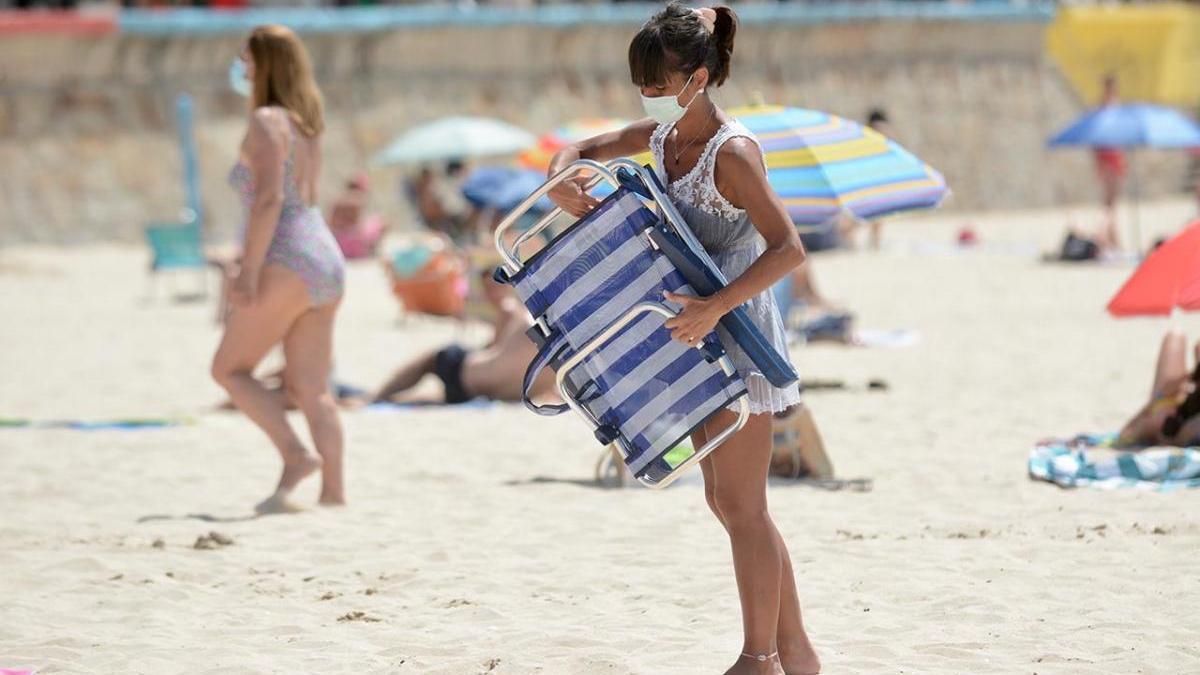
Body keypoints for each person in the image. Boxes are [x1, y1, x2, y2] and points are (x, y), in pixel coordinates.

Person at [545, 5, 820, 673]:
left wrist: (715, 306)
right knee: (723, 499)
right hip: (692, 325)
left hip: (735, 325)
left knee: (744, 503)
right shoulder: (664, 135)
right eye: (644, 79)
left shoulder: (735, 153)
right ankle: (796, 652)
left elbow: (789, 249)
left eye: (660, 78)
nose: (650, 90)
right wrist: (561, 178)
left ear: (698, 76)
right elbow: (582, 146)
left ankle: (761, 656)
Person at [210, 25, 347, 515]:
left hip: (286, 255)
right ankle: (334, 494)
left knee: (228, 369)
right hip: (325, 257)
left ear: (264, 63)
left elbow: (269, 200)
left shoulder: (267, 120)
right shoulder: (307, 125)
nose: (240, 67)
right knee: (312, 389)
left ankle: (294, 455)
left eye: (245, 58)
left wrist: (247, 271)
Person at [366, 271, 557, 405]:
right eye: (487, 288)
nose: (490, 293)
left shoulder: (511, 308)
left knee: (429, 360)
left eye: (493, 287)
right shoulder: (561, 339)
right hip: (489, 390)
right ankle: (383, 400)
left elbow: (495, 348)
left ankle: (374, 398)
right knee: (439, 396)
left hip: (468, 374)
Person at [1118, 330, 1200, 448]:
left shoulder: (1161, 420)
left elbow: (1125, 436)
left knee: (1175, 336)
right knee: (1175, 337)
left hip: (1169, 412)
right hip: (1175, 409)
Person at [1093, 74, 1126, 251]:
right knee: (1110, 203)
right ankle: (1107, 236)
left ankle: (1112, 237)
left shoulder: (1105, 107)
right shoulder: (1111, 108)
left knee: (1110, 202)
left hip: (1111, 155)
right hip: (1110, 155)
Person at [327, 172, 385, 260]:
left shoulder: (338, 200)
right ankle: (372, 250)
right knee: (379, 222)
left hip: (336, 243)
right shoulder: (358, 200)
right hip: (354, 245)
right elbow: (358, 226)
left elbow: (330, 223)